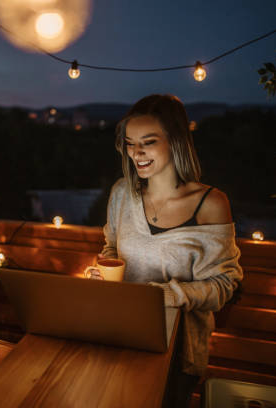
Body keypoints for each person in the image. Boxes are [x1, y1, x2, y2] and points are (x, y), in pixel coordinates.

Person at [86, 94, 243, 405]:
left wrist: (173, 296)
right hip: (121, 335)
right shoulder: (121, 193)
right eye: (130, 143)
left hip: (178, 351)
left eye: (148, 141)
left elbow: (225, 285)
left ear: (175, 141)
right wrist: (102, 271)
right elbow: (112, 249)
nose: (137, 152)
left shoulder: (210, 204)